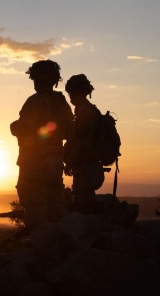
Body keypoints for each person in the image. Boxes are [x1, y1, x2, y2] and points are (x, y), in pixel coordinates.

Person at [10, 60, 74, 231]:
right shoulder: (62, 103)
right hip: (55, 162)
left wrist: (14, 126)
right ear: (55, 80)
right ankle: (63, 246)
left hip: (34, 163)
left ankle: (44, 247)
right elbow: (69, 132)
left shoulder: (35, 101)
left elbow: (24, 129)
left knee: (35, 208)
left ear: (36, 79)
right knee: (56, 207)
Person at [64, 74, 105, 213]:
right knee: (83, 195)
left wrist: (70, 160)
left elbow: (82, 140)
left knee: (83, 198)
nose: (70, 97)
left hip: (86, 162)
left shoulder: (86, 112)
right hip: (86, 161)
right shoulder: (85, 109)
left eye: (71, 93)